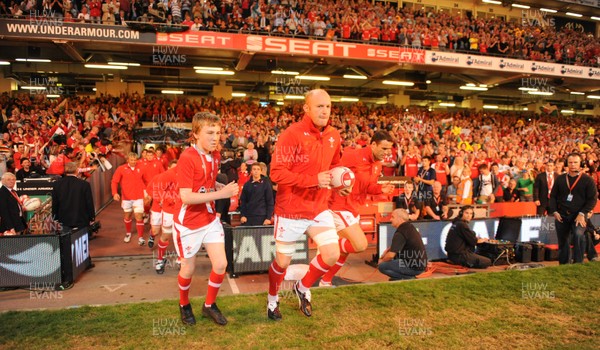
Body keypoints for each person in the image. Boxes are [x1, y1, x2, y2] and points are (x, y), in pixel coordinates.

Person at [266, 89, 343, 321]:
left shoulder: (334, 135)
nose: (325, 111)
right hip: (291, 209)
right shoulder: (292, 134)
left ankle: (302, 287)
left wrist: (341, 182)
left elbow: (335, 167)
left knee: (331, 254)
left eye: (328, 106)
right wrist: (313, 181)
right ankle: (272, 300)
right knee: (282, 262)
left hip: (318, 208)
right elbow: (276, 173)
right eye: (319, 106)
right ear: (306, 108)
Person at [173, 112, 239, 326]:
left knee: (221, 264)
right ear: (195, 134)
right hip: (188, 223)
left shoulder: (216, 155)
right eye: (209, 132)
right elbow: (186, 196)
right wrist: (221, 194)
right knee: (188, 269)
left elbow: (205, 186)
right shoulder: (187, 158)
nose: (215, 137)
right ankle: (184, 304)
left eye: (218, 133)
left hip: (209, 218)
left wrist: (217, 187)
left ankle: (209, 305)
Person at [321, 130, 395, 286]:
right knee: (360, 245)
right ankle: (329, 246)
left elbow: (368, 187)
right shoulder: (352, 155)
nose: (387, 152)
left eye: (389, 149)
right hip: (339, 205)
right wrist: (336, 187)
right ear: (373, 144)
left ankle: (325, 281)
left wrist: (381, 190)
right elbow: (330, 172)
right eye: (384, 148)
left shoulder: (378, 165)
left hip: (355, 207)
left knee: (345, 251)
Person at [548, 153, 598, 264]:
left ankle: (578, 263)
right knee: (563, 241)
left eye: (575, 162)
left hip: (579, 215)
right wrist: (554, 211)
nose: (573, 165)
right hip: (562, 214)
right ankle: (564, 265)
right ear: (566, 164)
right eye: (570, 162)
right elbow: (553, 197)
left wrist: (582, 213)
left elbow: (592, 199)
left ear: (581, 164)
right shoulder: (560, 179)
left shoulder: (588, 180)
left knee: (578, 235)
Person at [378, 209, 428, 280]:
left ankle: (408, 278)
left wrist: (381, 260)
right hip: (421, 264)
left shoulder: (400, 233)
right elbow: (397, 245)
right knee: (394, 262)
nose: (390, 219)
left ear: (400, 219)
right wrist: (388, 250)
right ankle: (401, 277)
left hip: (413, 266)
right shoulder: (409, 227)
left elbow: (390, 256)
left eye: (392, 217)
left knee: (382, 266)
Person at [148, 160, 178, 273]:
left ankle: (181, 259)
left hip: (181, 210)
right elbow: (154, 190)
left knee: (181, 236)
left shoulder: (186, 174)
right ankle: (160, 259)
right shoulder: (162, 176)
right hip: (165, 209)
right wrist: (164, 199)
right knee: (161, 234)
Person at [111, 152, 147, 245]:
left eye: (135, 160)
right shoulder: (121, 168)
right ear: (128, 160)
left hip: (138, 197)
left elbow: (146, 181)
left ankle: (141, 237)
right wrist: (114, 193)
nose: (134, 162)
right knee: (127, 216)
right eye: (131, 160)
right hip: (126, 198)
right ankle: (128, 233)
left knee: (139, 217)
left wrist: (147, 192)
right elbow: (114, 181)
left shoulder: (141, 167)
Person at [52, 162, 95, 234]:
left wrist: (55, 217)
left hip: (64, 218)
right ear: (77, 170)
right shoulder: (84, 184)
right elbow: (89, 202)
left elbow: (55, 202)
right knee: (81, 242)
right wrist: (92, 217)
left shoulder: (57, 184)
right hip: (81, 218)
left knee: (66, 241)